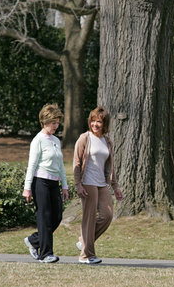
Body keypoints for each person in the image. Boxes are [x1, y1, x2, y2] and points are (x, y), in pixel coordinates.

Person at [73, 106, 124, 264]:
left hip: (102, 183)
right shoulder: (84, 138)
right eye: (93, 121)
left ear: (104, 124)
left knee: (107, 215)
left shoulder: (107, 141)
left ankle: (84, 241)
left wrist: (115, 187)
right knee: (89, 218)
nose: (95, 124)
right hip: (87, 182)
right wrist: (78, 185)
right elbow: (77, 161)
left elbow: (110, 166)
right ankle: (86, 256)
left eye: (99, 121)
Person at [22, 104, 69, 263]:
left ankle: (34, 241)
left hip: (54, 183)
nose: (56, 126)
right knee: (45, 217)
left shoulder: (56, 140)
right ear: (45, 121)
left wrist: (64, 185)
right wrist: (27, 188)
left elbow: (61, 164)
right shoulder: (38, 140)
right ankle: (45, 254)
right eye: (53, 123)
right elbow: (32, 165)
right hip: (40, 182)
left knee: (57, 216)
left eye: (57, 123)